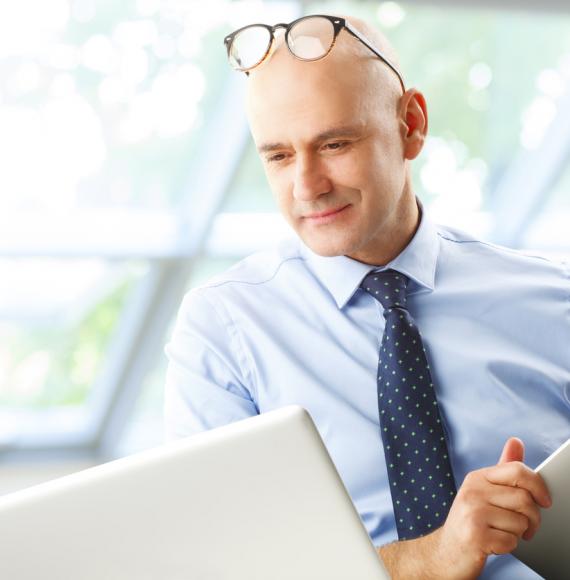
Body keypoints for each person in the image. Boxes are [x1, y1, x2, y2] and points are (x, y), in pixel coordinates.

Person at [164, 13, 569, 579]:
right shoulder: (225, 329)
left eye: (333, 143)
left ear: (412, 125)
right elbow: (218, 565)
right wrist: (436, 555)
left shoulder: (555, 301)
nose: (307, 186)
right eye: (278, 156)